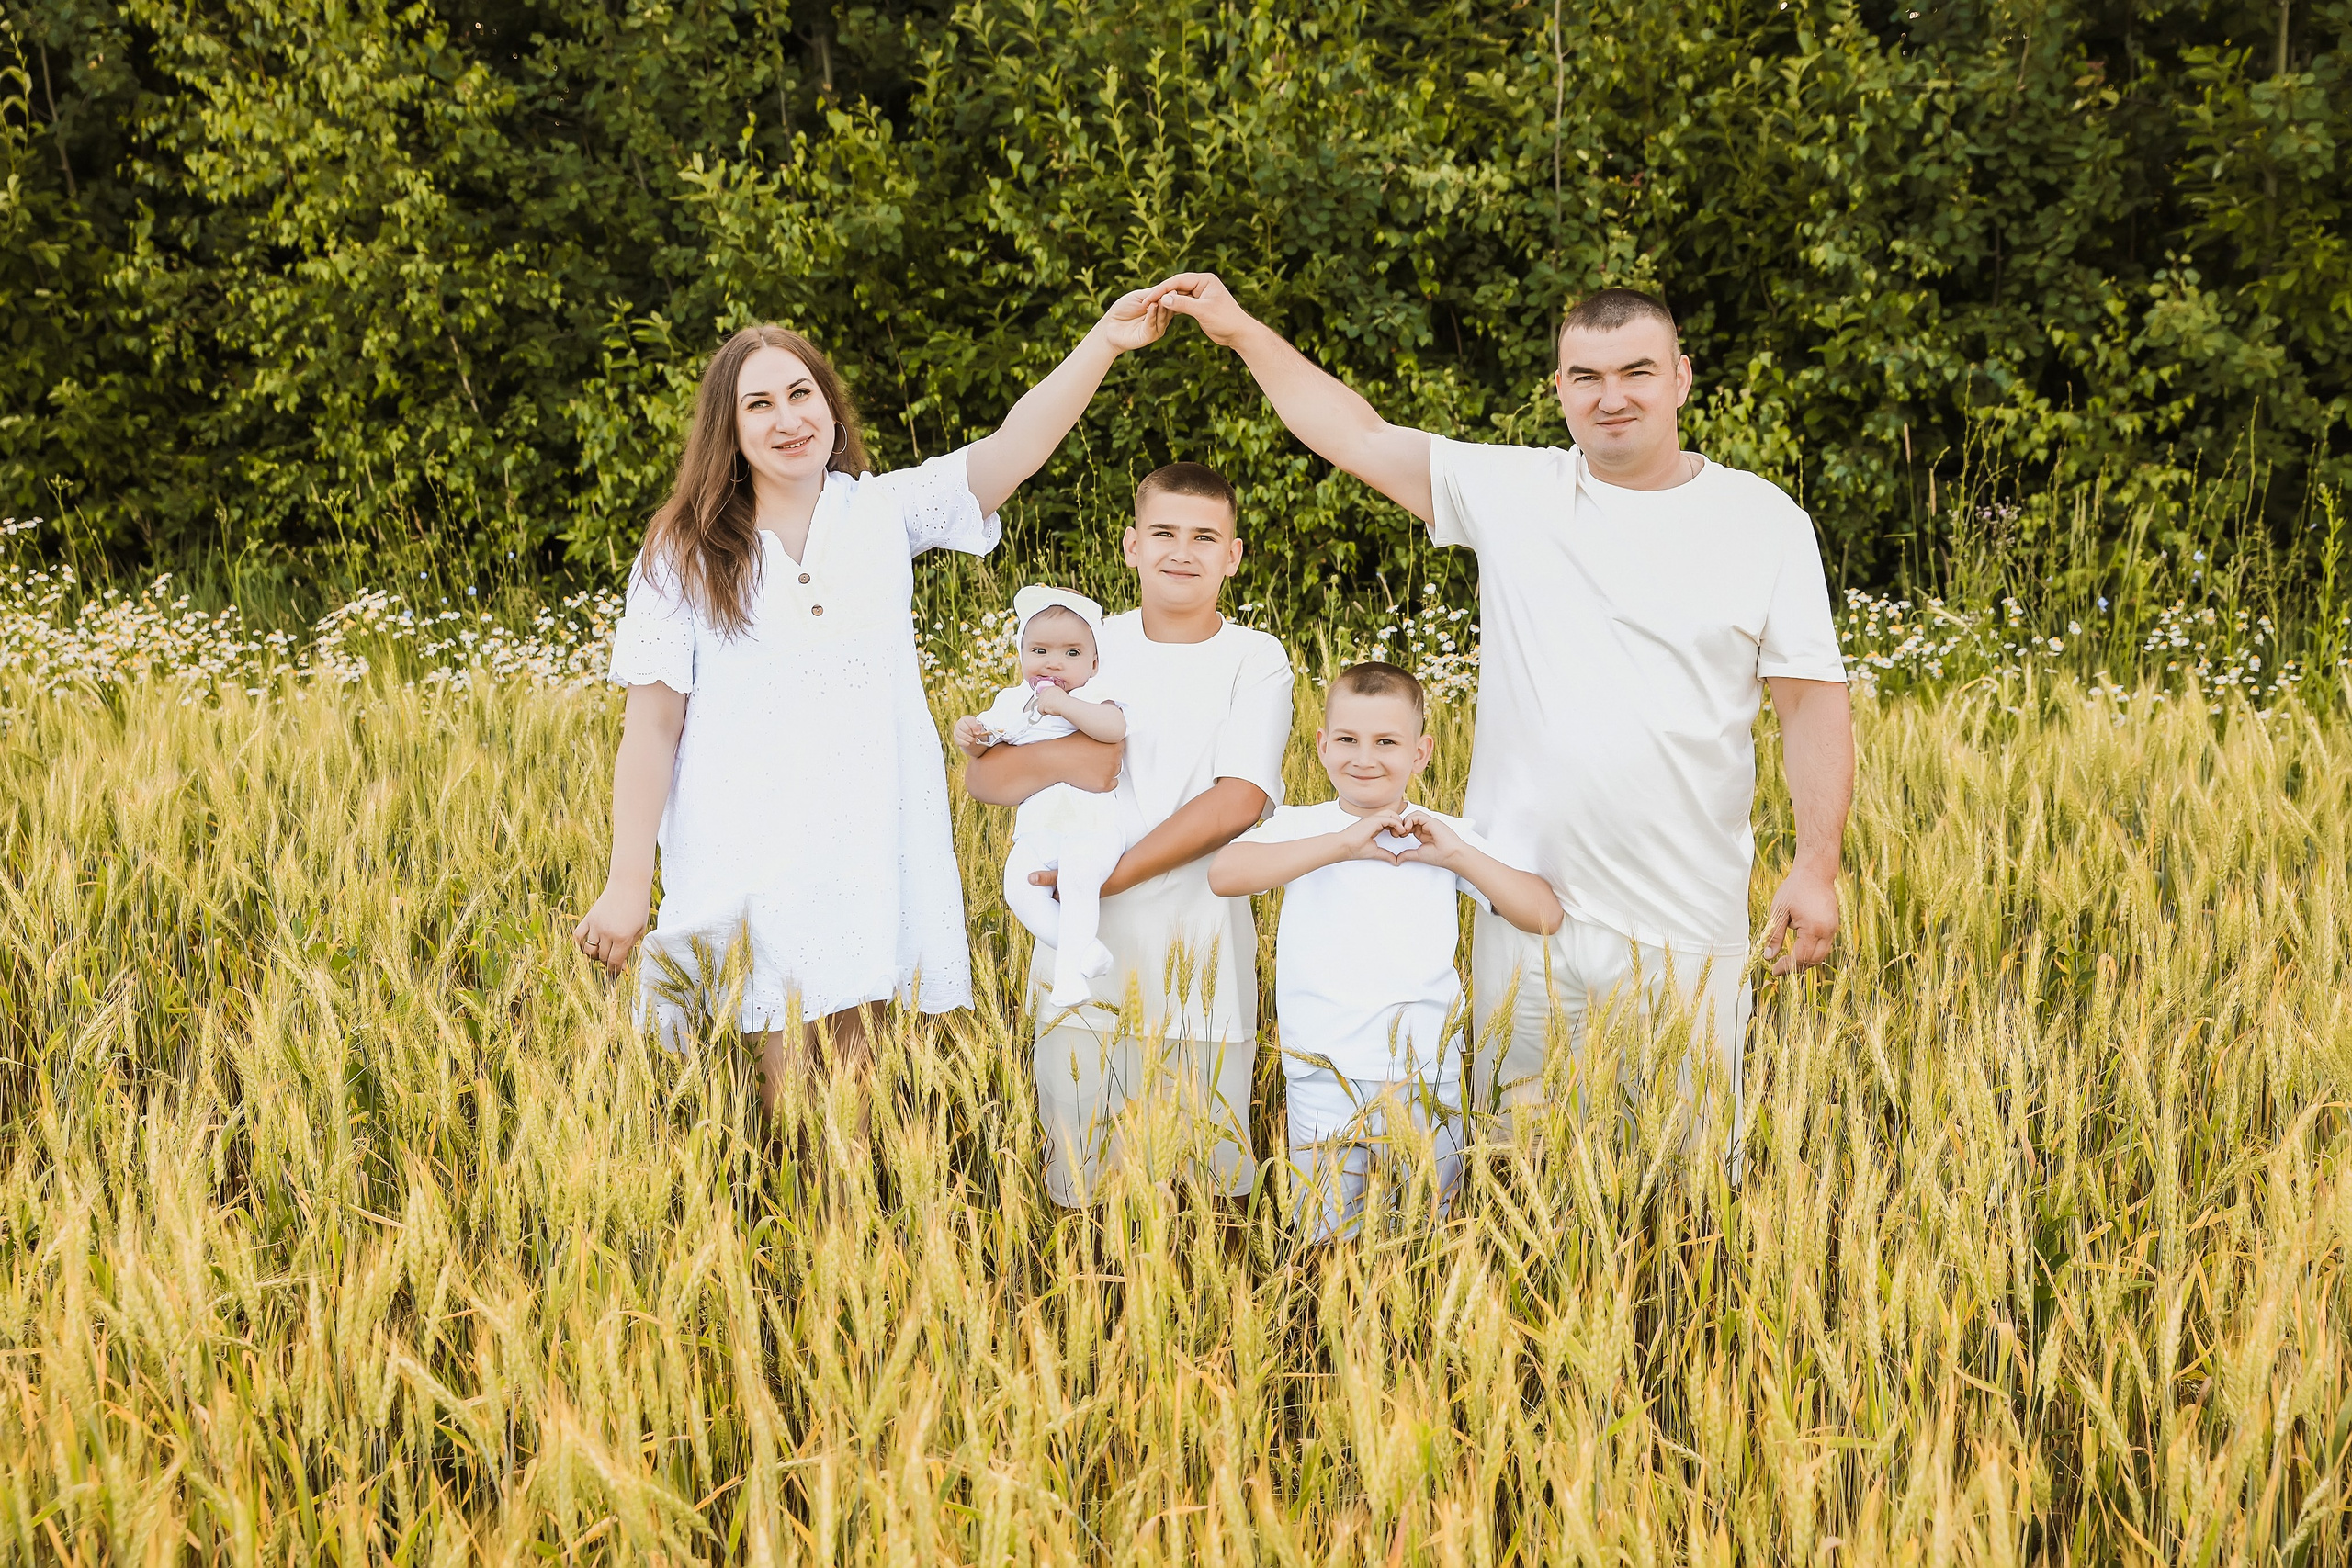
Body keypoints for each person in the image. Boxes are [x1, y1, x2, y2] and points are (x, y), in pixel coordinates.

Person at [1150, 275, 1855, 1158]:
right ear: (1558, 389)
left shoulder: (1764, 521)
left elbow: (1811, 703)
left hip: (1686, 916)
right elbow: (1355, 434)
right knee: (1524, 1163)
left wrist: (1817, 864)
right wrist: (1239, 328)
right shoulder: (1517, 491)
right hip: (1522, 913)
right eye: (1586, 376)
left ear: (1680, 377)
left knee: (1685, 1170)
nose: (1612, 397)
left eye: (1636, 371)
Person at [572, 293, 1171, 1116]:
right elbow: (652, 726)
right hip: (748, 857)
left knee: (854, 1104)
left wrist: (1105, 342)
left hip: (867, 850)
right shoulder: (684, 550)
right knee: (782, 1101)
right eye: (759, 404)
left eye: (801, 394)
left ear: (829, 405)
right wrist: (627, 878)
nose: (788, 418)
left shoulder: (883, 511)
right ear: (730, 430)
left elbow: (1016, 447)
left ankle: (843, 1240)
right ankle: (794, 1237)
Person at [962, 462, 1294, 1207]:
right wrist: (1080, 757)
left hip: (1201, 957)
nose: (1184, 550)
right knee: (1082, 1188)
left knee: (1212, 1196)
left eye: (1205, 536)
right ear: (1130, 545)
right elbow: (988, 779)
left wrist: (1105, 870)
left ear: (1233, 554)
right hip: (1082, 965)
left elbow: (1237, 800)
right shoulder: (1083, 647)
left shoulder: (1255, 656)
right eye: (1164, 532)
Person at [1209, 662, 1562, 1240]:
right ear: (1322, 746)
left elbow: (1544, 914)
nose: (1364, 758)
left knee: (1424, 1239)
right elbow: (1225, 874)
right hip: (1322, 1072)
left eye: (1387, 743)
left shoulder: (1443, 836)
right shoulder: (1300, 826)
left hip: (1427, 1077)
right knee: (1324, 1240)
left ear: (1421, 753)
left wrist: (1458, 857)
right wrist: (1343, 844)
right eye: (1347, 739)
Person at [951, 586, 1131, 1008]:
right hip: (1038, 829)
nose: (1053, 662)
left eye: (1072, 653)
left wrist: (1065, 705)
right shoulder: (1014, 701)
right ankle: (1085, 950)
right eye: (1039, 650)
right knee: (1019, 890)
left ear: (1094, 662)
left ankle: (1069, 977)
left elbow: (1113, 729)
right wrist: (971, 736)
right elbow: (989, 743)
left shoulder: (1093, 695)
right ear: (1021, 656)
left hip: (1092, 825)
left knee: (1078, 878)